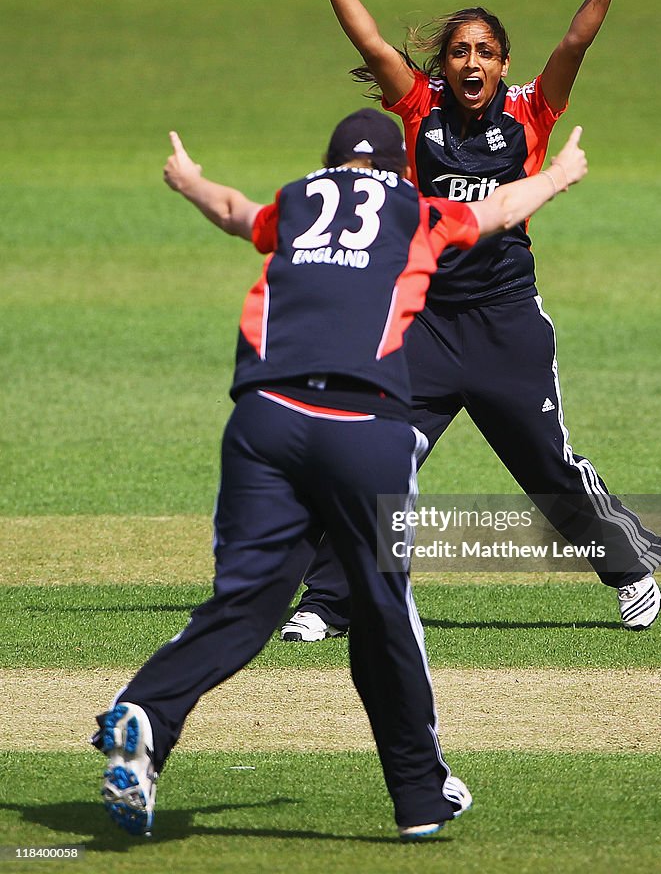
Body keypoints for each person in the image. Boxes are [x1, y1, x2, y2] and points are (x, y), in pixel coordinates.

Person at [91, 109, 588, 841]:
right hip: (363, 425)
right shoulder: (417, 209)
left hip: (263, 418)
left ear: (328, 164)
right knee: (385, 608)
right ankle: (419, 795)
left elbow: (232, 210)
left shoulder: (294, 203)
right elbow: (497, 210)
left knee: (245, 604)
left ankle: (150, 710)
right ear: (395, 168)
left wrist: (187, 180)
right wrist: (558, 175)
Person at [280, 0, 661, 645]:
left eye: (484, 52)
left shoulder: (529, 113)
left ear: (502, 64)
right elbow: (371, 49)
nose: (470, 61)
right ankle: (329, 602)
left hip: (504, 323)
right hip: (422, 323)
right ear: (444, 62)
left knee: (545, 462)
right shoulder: (419, 109)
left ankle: (629, 568)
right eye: (459, 50)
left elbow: (573, 48)